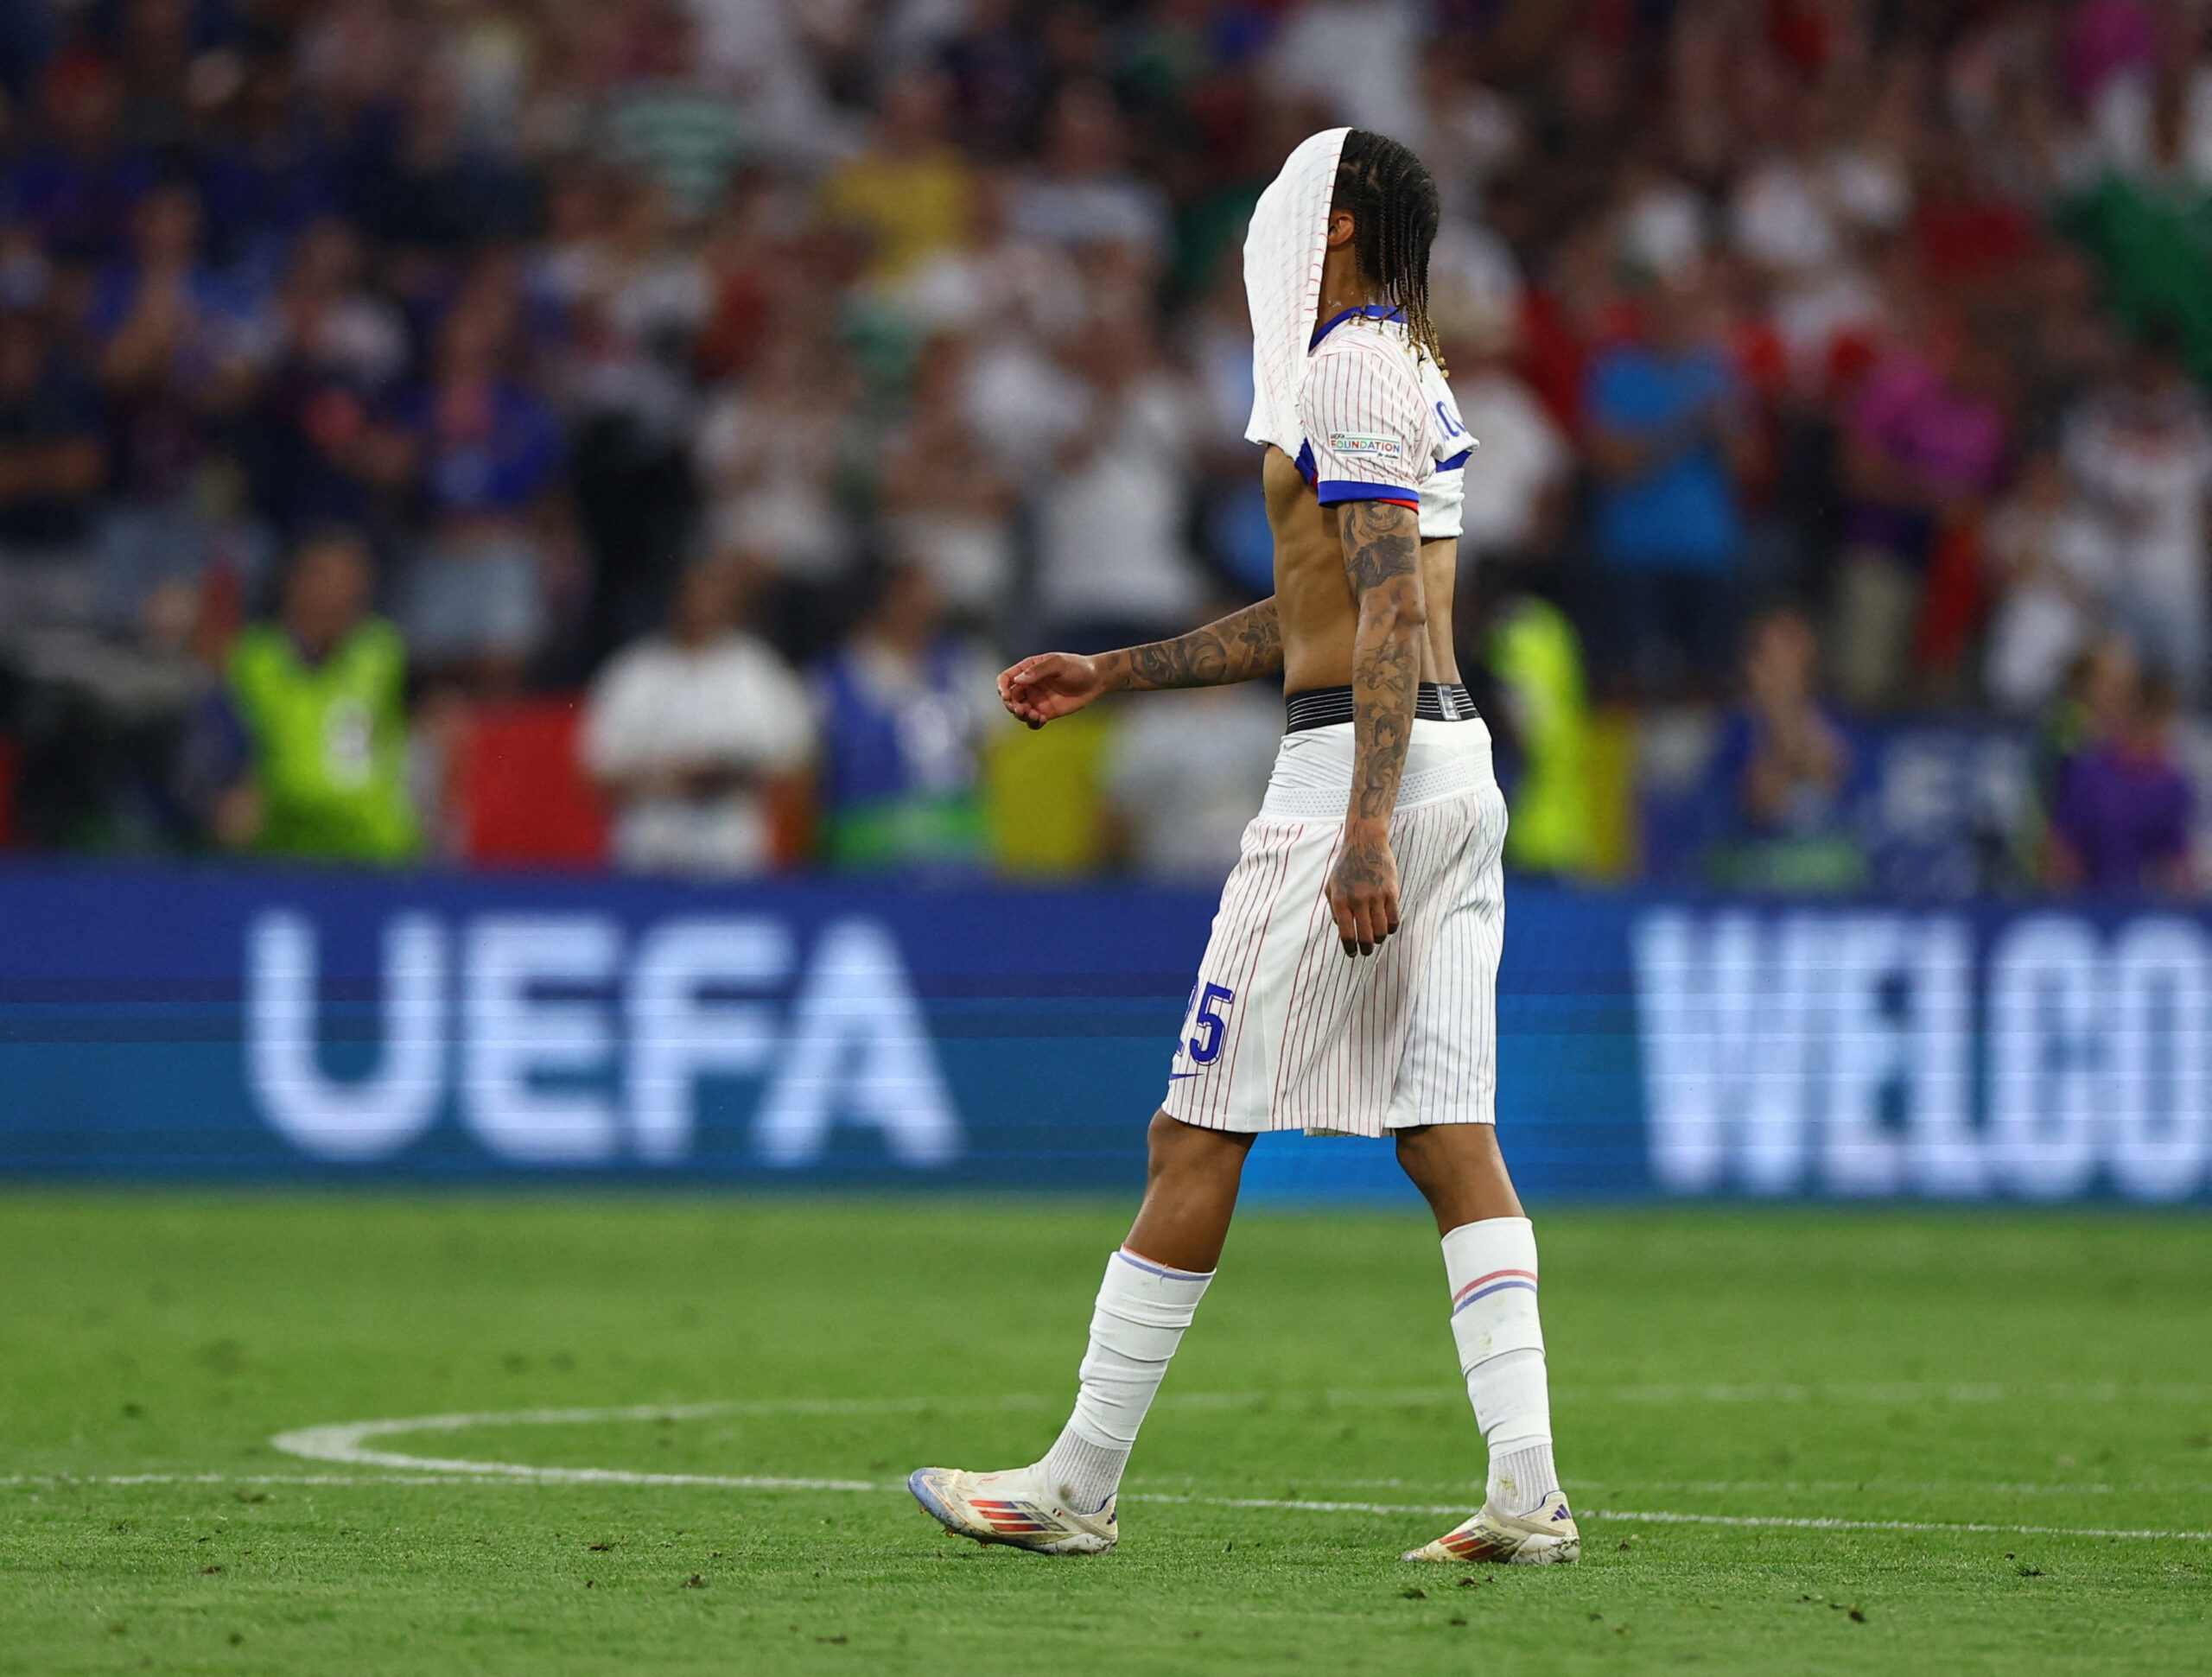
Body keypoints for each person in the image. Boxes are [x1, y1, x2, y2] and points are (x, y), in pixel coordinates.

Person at [908, 130, 1576, 1568]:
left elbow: (1386, 620)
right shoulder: (1406, 370)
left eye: (1285, 207)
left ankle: (1077, 1479)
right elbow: (1321, 607)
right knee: (1449, 1136)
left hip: (1365, 769)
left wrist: (1359, 827)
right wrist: (1120, 670)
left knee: (1196, 1124)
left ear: (1338, 232)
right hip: (1452, 769)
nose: (1258, 228)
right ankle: (1529, 1490)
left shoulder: (1345, 371)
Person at [581, 555, 814, 878]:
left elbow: (797, 765)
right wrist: (667, 777)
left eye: (715, 594)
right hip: (648, 851)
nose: (704, 605)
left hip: (731, 853)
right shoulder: (634, 672)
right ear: (675, 598)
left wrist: (729, 775)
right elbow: (595, 772)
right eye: (695, 593)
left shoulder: (759, 672)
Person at [217, 527, 418, 864]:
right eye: (325, 577)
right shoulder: (253, 657)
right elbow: (233, 741)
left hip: (375, 847)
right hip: (282, 844)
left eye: (351, 579)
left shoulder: (383, 651)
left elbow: (414, 729)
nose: (339, 591)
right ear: (293, 582)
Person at [1701, 605, 1866, 893]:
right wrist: (1782, 733)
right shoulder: (1736, 730)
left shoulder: (1839, 722)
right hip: (1754, 870)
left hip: (1826, 870)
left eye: (1791, 651)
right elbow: (1761, 803)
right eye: (1772, 656)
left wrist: (1796, 731)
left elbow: (1836, 783)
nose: (1783, 666)